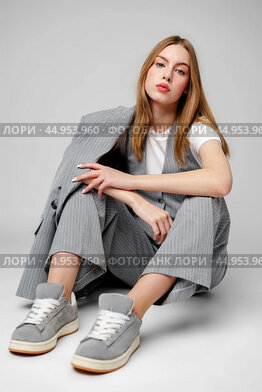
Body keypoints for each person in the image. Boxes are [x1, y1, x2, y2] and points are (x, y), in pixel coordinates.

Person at [9, 35, 232, 373]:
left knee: (205, 200)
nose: (167, 75)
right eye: (160, 64)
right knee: (86, 188)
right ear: (147, 72)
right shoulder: (113, 121)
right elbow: (75, 172)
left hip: (191, 259)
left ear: (188, 86)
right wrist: (133, 200)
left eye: (180, 70)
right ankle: (56, 302)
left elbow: (220, 181)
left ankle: (128, 313)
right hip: (136, 253)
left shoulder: (196, 129)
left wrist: (131, 182)